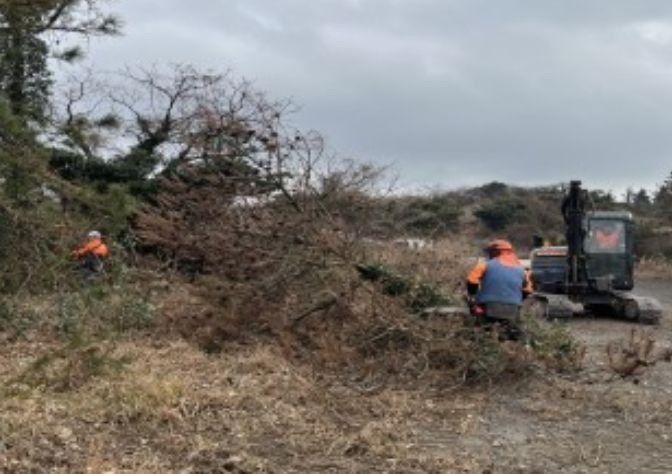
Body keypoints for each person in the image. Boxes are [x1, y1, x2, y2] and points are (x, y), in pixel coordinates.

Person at [466, 239, 532, 340]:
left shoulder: (485, 264)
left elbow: (472, 280)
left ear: (496, 252)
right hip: (513, 308)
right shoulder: (522, 270)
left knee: (482, 331)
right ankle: (524, 345)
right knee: (514, 333)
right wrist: (513, 300)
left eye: (490, 252)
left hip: (488, 305)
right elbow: (528, 290)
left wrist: (472, 296)